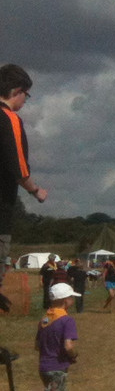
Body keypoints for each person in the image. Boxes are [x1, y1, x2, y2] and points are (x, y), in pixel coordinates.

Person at [0, 64, 47, 312]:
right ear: (16, 91)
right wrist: (36, 191)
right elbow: (19, 169)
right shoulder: (9, 119)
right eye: (26, 96)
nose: (25, 101)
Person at [23, 283, 85, 391]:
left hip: (44, 366)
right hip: (57, 368)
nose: (72, 300)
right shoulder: (67, 320)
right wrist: (74, 355)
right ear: (66, 301)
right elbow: (68, 345)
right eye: (71, 297)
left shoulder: (45, 319)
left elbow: (37, 346)